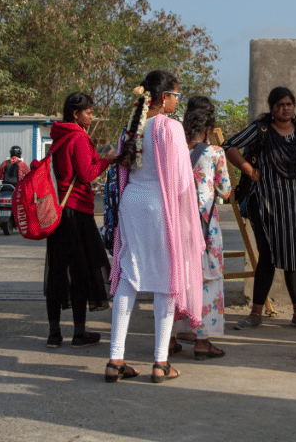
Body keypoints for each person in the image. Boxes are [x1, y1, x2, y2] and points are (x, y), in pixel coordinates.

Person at [106, 70, 205, 383]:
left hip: (131, 203)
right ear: (164, 97)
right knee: (167, 278)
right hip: (159, 206)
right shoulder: (170, 126)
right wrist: (187, 219)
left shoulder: (133, 127)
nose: (177, 100)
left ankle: (115, 359)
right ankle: (160, 363)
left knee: (129, 274)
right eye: (176, 94)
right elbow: (179, 180)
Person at [224, 87, 296, 331]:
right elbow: (229, 145)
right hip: (264, 202)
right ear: (272, 108)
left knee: (294, 254)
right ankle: (255, 314)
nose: (286, 108)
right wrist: (249, 170)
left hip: (294, 201)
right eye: (280, 104)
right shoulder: (260, 131)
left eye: (289, 104)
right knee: (268, 254)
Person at [44, 92, 115, 349]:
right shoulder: (78, 137)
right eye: (88, 112)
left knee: (57, 272)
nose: (91, 117)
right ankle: (79, 333)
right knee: (81, 272)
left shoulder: (58, 138)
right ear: (76, 114)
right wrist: (107, 161)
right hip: (76, 210)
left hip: (57, 212)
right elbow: (86, 174)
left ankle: (54, 334)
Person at [169, 98, 231, 360]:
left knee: (176, 279)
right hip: (205, 226)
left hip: (176, 224)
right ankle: (203, 341)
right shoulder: (215, 153)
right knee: (206, 281)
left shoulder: (174, 150)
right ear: (208, 129)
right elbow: (225, 191)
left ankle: (171, 336)